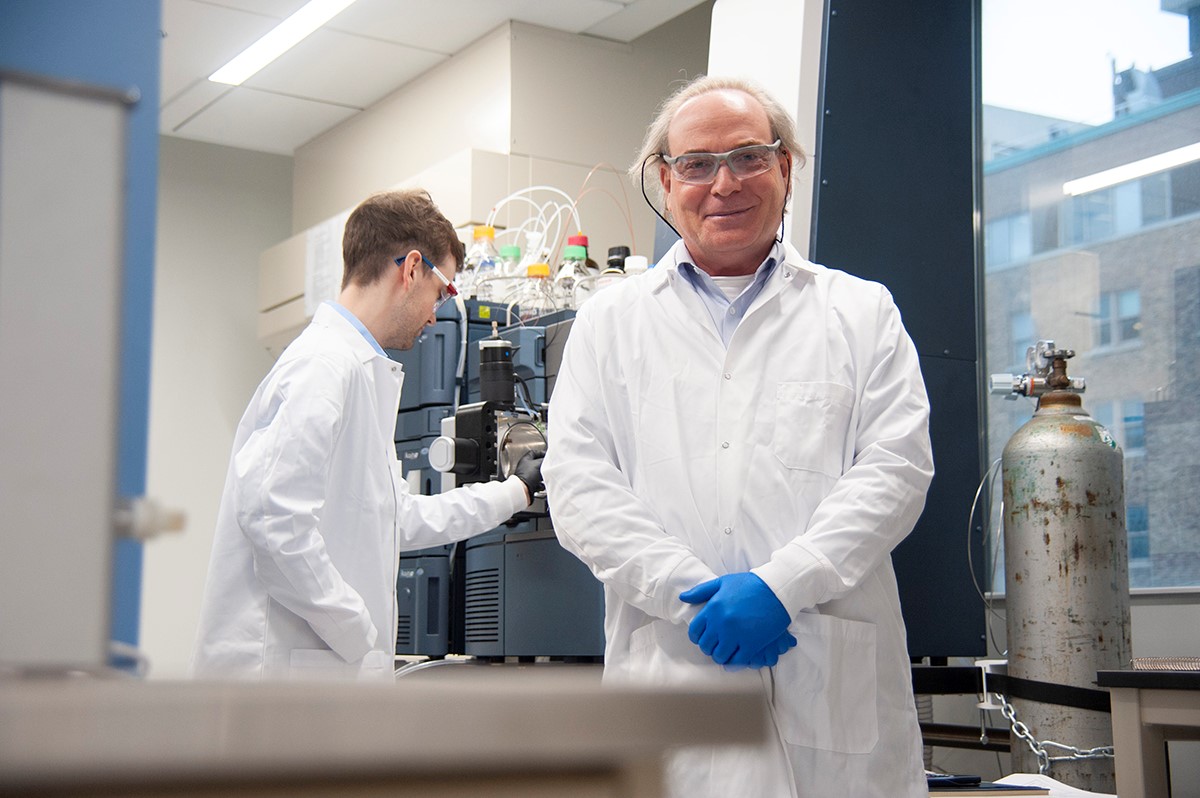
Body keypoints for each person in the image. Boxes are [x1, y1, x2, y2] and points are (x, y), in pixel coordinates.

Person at [542, 76, 933, 797]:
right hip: (674, 671)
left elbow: (895, 472)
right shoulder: (610, 323)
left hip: (829, 686)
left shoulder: (861, 312)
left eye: (749, 157)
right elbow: (578, 486)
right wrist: (690, 593)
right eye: (696, 164)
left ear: (785, 168)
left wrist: (781, 589)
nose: (724, 183)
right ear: (664, 180)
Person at [191, 189, 544, 681]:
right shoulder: (322, 367)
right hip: (282, 685)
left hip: (318, 682)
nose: (438, 312)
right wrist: (358, 633)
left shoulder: (354, 371)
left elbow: (399, 519)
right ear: (412, 268)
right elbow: (273, 521)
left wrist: (515, 491)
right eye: (444, 291)